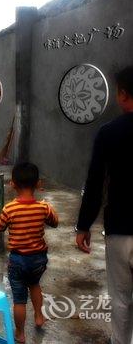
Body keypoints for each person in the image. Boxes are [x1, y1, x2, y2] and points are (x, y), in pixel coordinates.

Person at [76, 66, 133, 344]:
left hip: (121, 230)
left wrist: (83, 225)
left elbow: (95, 183)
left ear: (122, 94)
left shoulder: (109, 132)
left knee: (121, 299)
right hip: (120, 228)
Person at [0, 162, 58, 344]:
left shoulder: (10, 209)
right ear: (38, 184)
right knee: (35, 285)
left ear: (12, 184)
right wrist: (50, 208)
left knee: (19, 299)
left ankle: (20, 333)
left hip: (18, 260)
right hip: (38, 259)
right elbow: (55, 222)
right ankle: (38, 316)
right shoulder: (43, 208)